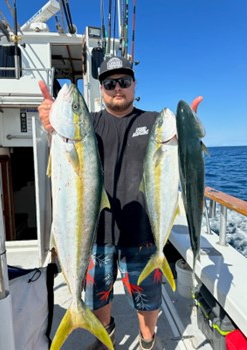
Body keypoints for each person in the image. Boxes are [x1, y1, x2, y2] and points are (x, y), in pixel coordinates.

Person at [38, 56, 177, 350]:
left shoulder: (152, 122)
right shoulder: (88, 125)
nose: (117, 88)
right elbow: (65, 148)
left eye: (124, 81)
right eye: (109, 82)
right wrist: (52, 124)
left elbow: (173, 154)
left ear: (134, 85)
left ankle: (147, 340)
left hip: (142, 233)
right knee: (98, 295)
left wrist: (189, 134)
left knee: (147, 298)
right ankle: (106, 335)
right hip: (95, 234)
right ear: (101, 88)